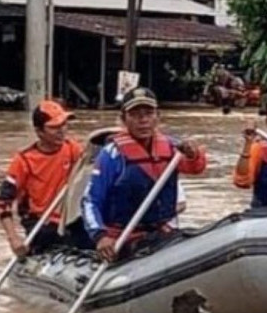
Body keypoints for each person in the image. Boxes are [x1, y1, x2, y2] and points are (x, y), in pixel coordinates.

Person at [82, 87, 206, 262]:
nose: (143, 120)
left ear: (158, 116)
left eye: (148, 113)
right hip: (124, 236)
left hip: (162, 232)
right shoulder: (112, 154)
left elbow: (195, 168)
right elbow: (91, 200)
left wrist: (194, 155)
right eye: (136, 115)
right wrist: (100, 236)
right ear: (124, 119)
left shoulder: (172, 147)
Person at [0, 100, 88, 257]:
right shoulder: (24, 161)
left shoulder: (73, 149)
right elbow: (3, 204)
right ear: (39, 131)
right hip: (41, 222)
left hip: (69, 218)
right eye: (54, 127)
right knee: (49, 236)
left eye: (64, 125)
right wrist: (13, 239)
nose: (61, 131)